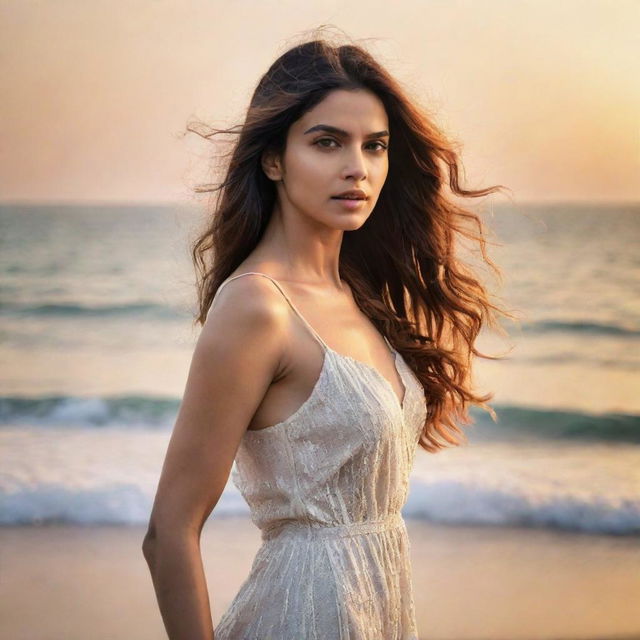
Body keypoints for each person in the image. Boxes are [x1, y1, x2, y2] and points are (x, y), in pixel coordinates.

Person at [142, 31, 512, 640]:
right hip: (299, 616)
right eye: (327, 143)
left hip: (379, 611)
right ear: (274, 159)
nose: (357, 168)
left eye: (375, 147)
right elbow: (169, 531)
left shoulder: (357, 299)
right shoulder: (259, 306)